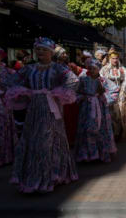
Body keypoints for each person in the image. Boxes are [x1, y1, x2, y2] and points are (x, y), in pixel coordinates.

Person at [6, 37, 78, 193]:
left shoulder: (58, 68)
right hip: (34, 108)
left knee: (49, 139)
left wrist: (58, 92)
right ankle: (33, 176)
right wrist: (24, 92)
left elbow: (73, 81)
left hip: (51, 108)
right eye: (38, 49)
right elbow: (12, 80)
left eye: (44, 50)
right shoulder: (29, 69)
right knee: (33, 139)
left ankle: (52, 175)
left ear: (51, 52)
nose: (40, 52)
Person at [74, 58, 119, 163]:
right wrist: (82, 98)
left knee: (100, 129)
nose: (92, 70)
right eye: (90, 68)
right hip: (86, 109)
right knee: (86, 129)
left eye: (94, 68)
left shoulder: (102, 80)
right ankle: (86, 155)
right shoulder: (83, 79)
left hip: (100, 109)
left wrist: (104, 99)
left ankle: (101, 153)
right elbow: (76, 91)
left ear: (98, 69)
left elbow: (115, 89)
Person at [100, 49, 126, 141]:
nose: (115, 60)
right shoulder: (104, 69)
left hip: (120, 94)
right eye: (113, 58)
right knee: (111, 115)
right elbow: (101, 81)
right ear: (109, 59)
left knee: (122, 113)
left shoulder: (122, 69)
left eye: (116, 58)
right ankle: (111, 135)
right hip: (109, 95)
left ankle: (122, 134)